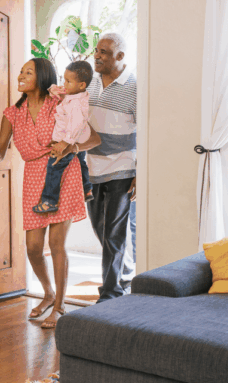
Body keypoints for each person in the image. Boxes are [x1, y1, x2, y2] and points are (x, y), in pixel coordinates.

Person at [0, 58, 101, 329]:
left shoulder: (59, 103)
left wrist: (71, 148)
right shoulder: (12, 113)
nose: (21, 75)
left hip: (63, 173)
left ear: (43, 76)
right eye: (21, 71)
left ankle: (59, 306)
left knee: (57, 243)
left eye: (28, 72)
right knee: (34, 247)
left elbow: (94, 139)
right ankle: (48, 292)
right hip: (33, 178)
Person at [87, 32, 137, 303]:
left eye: (104, 52)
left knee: (114, 232)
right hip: (93, 166)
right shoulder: (89, 82)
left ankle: (110, 293)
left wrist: (141, 172)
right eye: (97, 50)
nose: (96, 56)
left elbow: (146, 130)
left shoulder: (135, 87)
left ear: (120, 56)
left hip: (122, 166)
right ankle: (125, 271)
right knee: (100, 228)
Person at [32, 60, 95, 214]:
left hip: (69, 140)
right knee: (81, 162)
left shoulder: (75, 104)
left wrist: (65, 143)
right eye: (64, 79)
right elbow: (64, 97)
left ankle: (49, 201)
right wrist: (55, 90)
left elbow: (76, 124)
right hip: (79, 139)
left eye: (68, 81)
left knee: (54, 167)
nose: (64, 84)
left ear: (81, 85)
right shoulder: (77, 96)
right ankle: (87, 189)